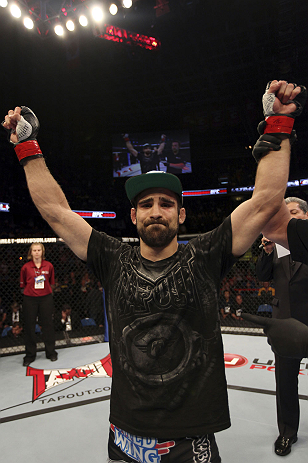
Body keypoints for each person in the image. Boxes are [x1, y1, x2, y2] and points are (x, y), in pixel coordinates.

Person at [2, 80, 303, 463]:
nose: (155, 211)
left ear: (181, 214)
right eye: (146, 204)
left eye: (165, 203)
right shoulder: (112, 258)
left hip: (191, 433)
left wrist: (278, 121)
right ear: (133, 215)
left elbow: (265, 201)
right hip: (127, 431)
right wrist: (26, 146)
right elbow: (57, 213)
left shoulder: (206, 255)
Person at [255, 197, 308, 456]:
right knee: (285, 382)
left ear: (306, 217)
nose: (288, 217)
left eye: (294, 212)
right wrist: (266, 251)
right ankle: (287, 432)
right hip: (285, 325)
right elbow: (262, 276)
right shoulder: (275, 246)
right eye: (284, 214)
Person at [19, 242, 58, 366]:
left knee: (48, 325)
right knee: (29, 326)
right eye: (34, 250)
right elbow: (23, 284)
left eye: (39, 250)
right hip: (30, 299)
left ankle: (51, 352)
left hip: (45, 298)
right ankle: (30, 355)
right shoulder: (25, 267)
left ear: (42, 252)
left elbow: (51, 282)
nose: (36, 252)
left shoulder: (49, 266)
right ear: (31, 252)